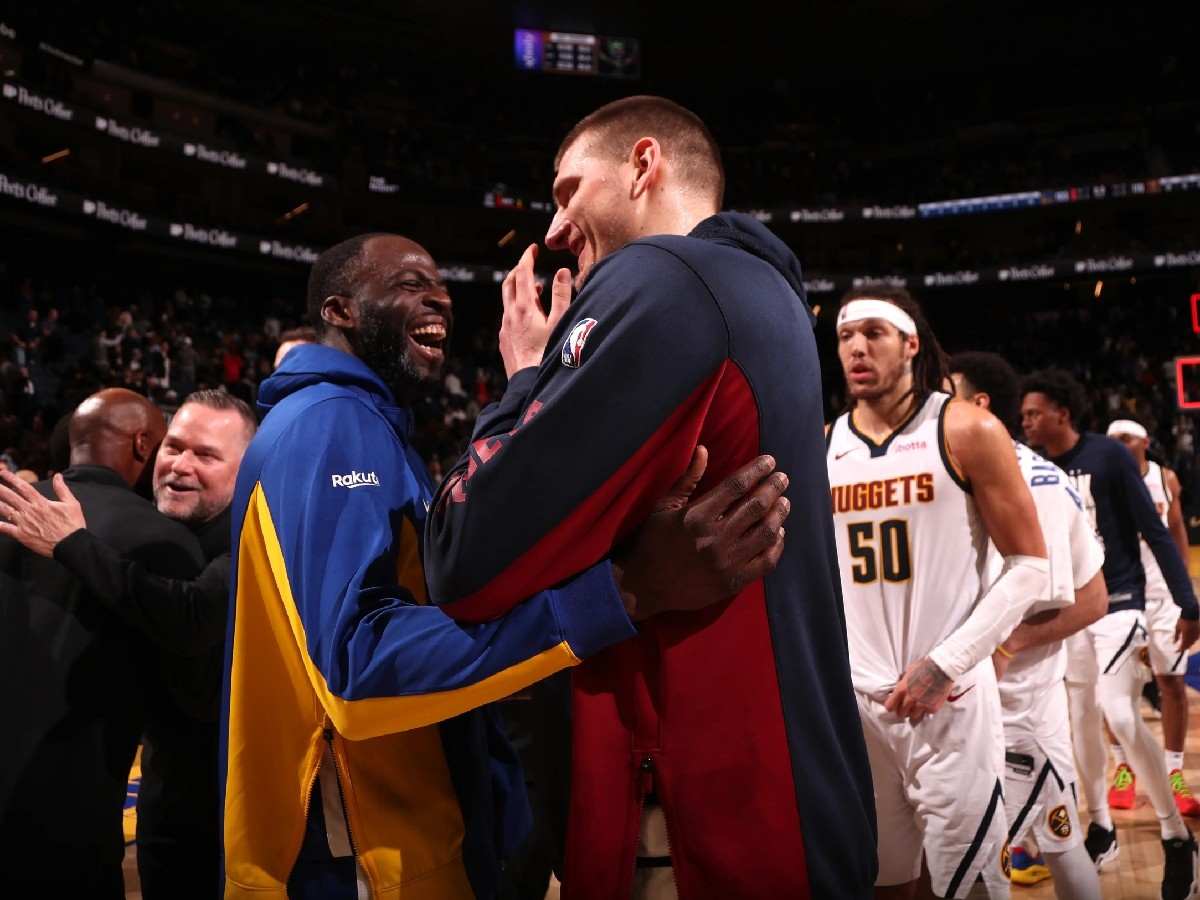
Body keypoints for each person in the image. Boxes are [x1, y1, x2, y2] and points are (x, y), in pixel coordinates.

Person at [222, 232, 793, 900]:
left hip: (398, 844)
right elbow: (355, 671)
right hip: (356, 863)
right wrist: (623, 591)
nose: (438, 296)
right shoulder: (328, 425)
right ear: (341, 311)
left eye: (438, 283)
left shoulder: (362, 423)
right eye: (408, 283)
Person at [424, 96, 876, 899]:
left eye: (567, 191)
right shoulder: (763, 291)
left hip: (694, 826)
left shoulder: (662, 274)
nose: (555, 227)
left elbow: (464, 561)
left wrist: (525, 377)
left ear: (642, 164)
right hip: (790, 797)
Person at [826, 291, 1048, 900]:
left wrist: (944, 664)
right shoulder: (825, 445)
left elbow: (1031, 568)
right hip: (860, 704)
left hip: (949, 699)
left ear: (910, 344)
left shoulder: (966, 427)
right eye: (846, 335)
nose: (856, 347)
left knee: (972, 884)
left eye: (874, 332)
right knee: (886, 881)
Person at [0, 389, 257, 898]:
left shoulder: (252, 536)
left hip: (235, 812)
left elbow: (191, 617)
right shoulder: (160, 526)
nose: (180, 465)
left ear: (248, 469)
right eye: (174, 446)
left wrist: (74, 544)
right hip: (162, 805)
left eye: (205, 455)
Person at [1021, 369, 1200, 895]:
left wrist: (1188, 599)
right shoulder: (1030, 467)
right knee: (1079, 721)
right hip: (1066, 609)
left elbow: (1155, 529)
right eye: (1024, 414)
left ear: (1063, 412)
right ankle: (1101, 826)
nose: (1026, 421)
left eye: (1035, 412)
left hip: (1119, 598)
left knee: (1119, 711)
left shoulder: (1108, 456)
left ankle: (1174, 836)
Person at [950, 352, 1106, 899]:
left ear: (978, 405)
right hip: (974, 708)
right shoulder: (999, 472)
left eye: (947, 395)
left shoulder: (1032, 482)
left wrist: (1009, 641)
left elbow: (1088, 600)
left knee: (1008, 857)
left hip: (1018, 712)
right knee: (1049, 845)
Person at [1105, 418, 1200, 816]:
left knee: (1171, 683)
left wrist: (1185, 593)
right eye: (1111, 440)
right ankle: (1122, 768)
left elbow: (1176, 531)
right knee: (1115, 692)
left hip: (1161, 595)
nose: (1117, 445)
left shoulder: (1166, 479)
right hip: (1119, 593)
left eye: (1124, 438)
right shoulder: (1101, 478)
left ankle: (1174, 772)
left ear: (1144, 441)